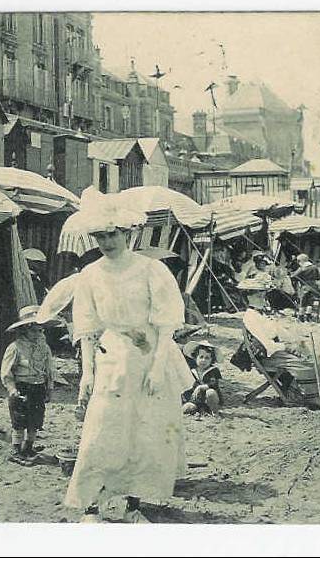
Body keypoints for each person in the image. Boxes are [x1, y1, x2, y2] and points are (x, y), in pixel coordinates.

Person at [64, 190, 195, 523]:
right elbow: (88, 328)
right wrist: (88, 372)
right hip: (113, 358)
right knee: (102, 429)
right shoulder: (91, 275)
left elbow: (166, 325)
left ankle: (131, 506)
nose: (107, 241)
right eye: (100, 235)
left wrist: (156, 367)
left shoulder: (151, 270)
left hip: (150, 357)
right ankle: (92, 506)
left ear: (128, 233)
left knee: (144, 432)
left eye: (113, 234)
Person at [0, 305, 54, 465]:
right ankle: (16, 450)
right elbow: (6, 372)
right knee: (19, 420)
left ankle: (28, 447)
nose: (39, 334)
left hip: (38, 387)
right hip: (22, 388)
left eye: (41, 330)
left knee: (35, 420)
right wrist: (12, 389)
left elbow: (49, 370)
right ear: (25, 330)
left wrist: (49, 388)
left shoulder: (44, 348)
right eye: (35, 330)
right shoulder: (15, 348)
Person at [181, 340, 224, 416]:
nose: (203, 360)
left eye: (207, 358)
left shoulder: (213, 371)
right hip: (197, 399)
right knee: (186, 408)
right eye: (201, 357)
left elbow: (213, 384)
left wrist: (201, 387)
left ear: (211, 360)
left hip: (209, 398)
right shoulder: (193, 371)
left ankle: (214, 411)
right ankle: (198, 409)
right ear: (195, 358)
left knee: (210, 393)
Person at [290, 253, 320, 321]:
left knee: (303, 302)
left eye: (298, 261)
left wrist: (292, 274)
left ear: (300, 261)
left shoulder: (302, 268)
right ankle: (308, 316)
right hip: (313, 286)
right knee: (310, 302)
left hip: (305, 286)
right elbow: (319, 277)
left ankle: (301, 316)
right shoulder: (315, 267)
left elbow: (293, 276)